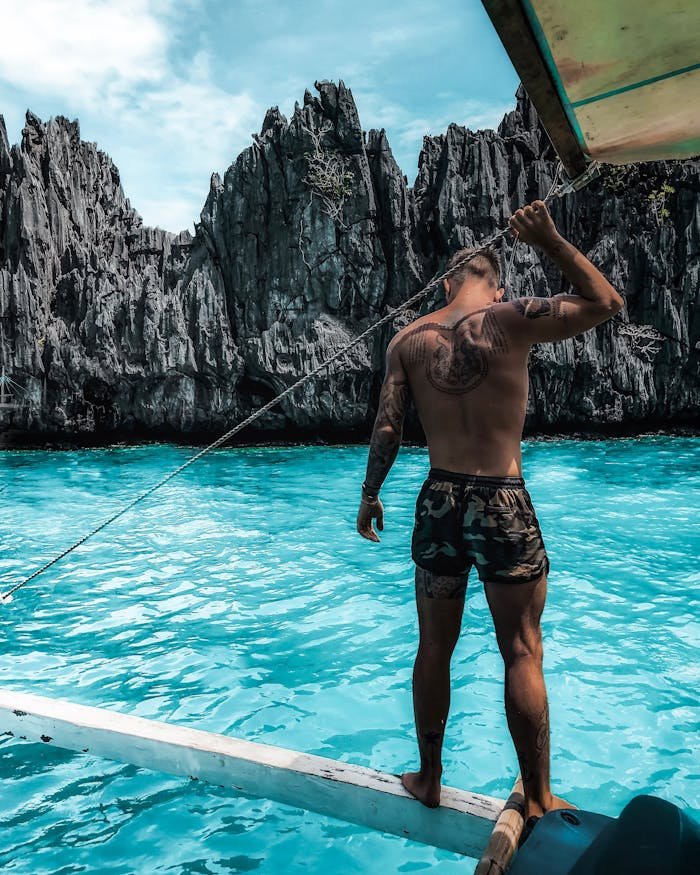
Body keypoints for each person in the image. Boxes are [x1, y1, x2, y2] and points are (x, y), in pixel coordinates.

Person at [356, 201, 625, 827]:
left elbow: (389, 426)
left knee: (433, 647)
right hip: (502, 500)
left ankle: (428, 777)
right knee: (522, 652)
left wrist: (371, 495)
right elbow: (607, 303)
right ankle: (535, 798)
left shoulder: (406, 340)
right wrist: (552, 240)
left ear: (448, 280)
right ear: (496, 284)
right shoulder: (512, 318)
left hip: (438, 500)